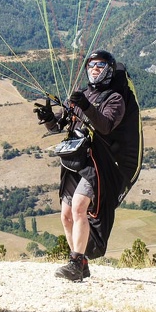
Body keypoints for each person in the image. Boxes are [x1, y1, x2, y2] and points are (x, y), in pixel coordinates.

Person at [34, 50, 130, 281]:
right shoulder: (82, 95)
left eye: (100, 65)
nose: (94, 69)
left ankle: (75, 263)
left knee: (79, 208)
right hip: (75, 161)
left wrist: (86, 106)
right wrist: (48, 118)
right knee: (66, 215)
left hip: (97, 163)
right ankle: (81, 262)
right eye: (91, 65)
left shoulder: (114, 98)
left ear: (109, 69)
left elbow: (106, 125)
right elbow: (59, 126)